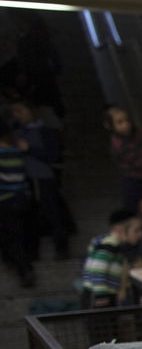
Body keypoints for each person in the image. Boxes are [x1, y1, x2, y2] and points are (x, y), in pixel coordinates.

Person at [10, 97, 75, 260]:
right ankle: (32, 252)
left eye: (21, 111)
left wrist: (29, 149)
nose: (18, 115)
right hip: (23, 180)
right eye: (14, 112)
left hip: (43, 178)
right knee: (29, 216)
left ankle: (62, 247)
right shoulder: (16, 133)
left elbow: (52, 156)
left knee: (53, 212)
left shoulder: (44, 131)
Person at [103, 103, 142, 214]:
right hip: (135, 181)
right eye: (120, 122)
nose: (126, 125)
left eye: (127, 120)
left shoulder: (135, 132)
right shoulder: (120, 145)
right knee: (141, 209)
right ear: (110, 126)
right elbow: (140, 163)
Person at [79, 208, 142, 309]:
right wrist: (102, 297)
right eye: (136, 230)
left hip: (104, 295)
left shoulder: (114, 246)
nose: (140, 234)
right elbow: (98, 272)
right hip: (98, 298)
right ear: (120, 230)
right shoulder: (109, 246)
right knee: (102, 324)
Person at [0, 124, 35, 287]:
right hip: (21, 198)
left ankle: (23, 268)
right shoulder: (16, 151)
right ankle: (20, 263)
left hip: (6, 200)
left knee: (12, 237)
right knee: (17, 235)